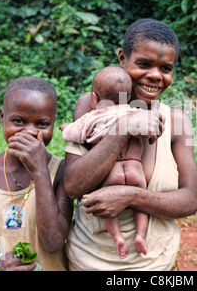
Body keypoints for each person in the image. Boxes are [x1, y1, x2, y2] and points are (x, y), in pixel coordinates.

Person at [63, 18, 197, 270]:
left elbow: (190, 200)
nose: (155, 76)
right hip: (89, 261)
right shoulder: (93, 107)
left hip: (156, 264)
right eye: (144, 64)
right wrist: (124, 127)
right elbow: (73, 186)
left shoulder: (177, 121)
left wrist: (129, 196)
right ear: (122, 58)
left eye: (166, 68)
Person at [0, 76, 73, 271]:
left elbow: (54, 242)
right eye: (18, 121)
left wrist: (40, 172)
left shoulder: (61, 173)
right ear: (2, 117)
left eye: (42, 124)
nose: (30, 132)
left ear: (53, 123)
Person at [61, 66, 149, 259]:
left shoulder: (93, 117)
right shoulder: (135, 112)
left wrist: (66, 127)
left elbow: (74, 134)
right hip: (135, 167)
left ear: (94, 99)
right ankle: (141, 235)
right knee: (142, 204)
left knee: (106, 205)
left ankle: (117, 237)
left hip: (113, 171)